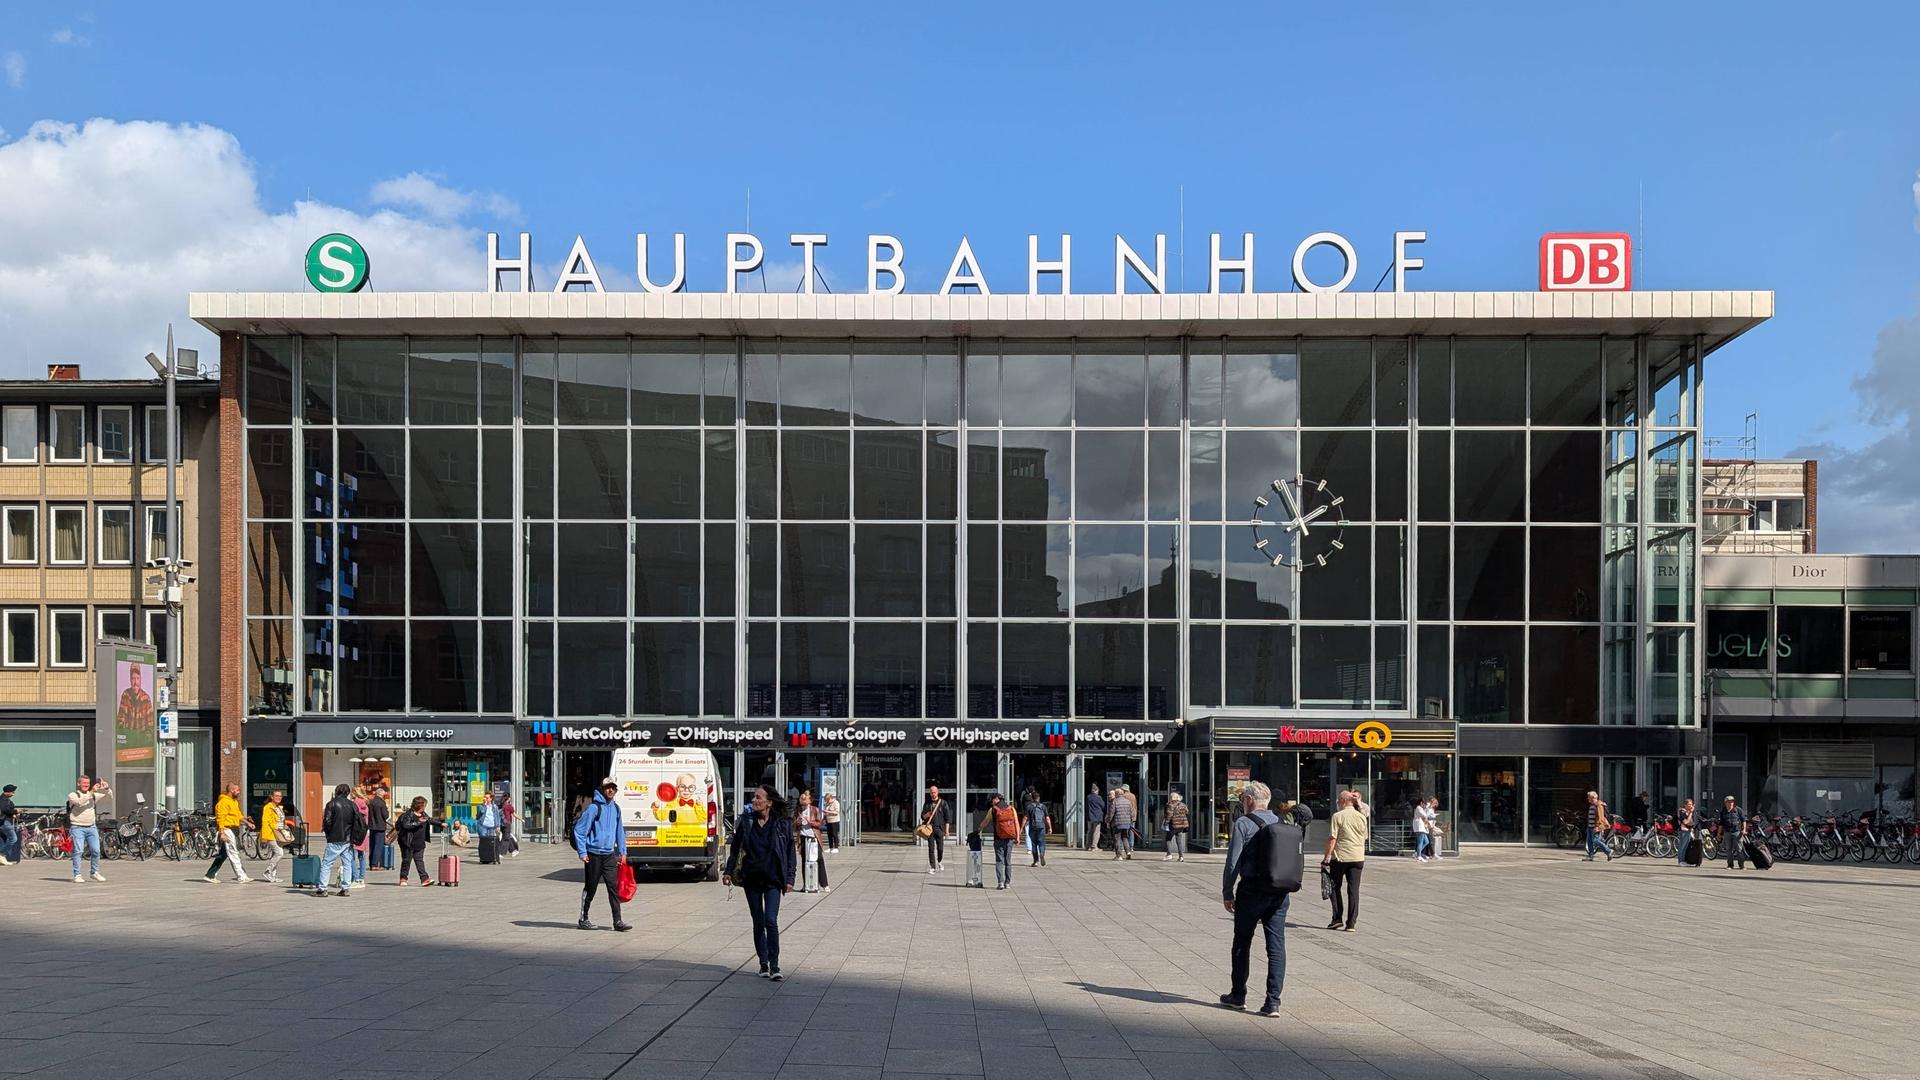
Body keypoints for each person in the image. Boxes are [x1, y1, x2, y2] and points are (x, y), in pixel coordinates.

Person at [1218, 780, 1289, 1017]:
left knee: (1242, 942)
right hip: (1279, 892)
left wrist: (1227, 892)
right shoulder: (1280, 821)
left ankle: (1238, 995)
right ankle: (1273, 1002)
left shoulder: (1243, 823)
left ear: (1249, 800)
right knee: (1276, 946)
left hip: (1251, 892)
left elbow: (1233, 862)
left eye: (1242, 799)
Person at [724, 783, 795, 979]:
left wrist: (790, 878)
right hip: (752, 878)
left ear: (769, 803)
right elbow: (735, 849)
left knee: (771, 920)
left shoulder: (782, 823)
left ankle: (775, 965)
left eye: (758, 797)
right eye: (754, 797)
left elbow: (790, 852)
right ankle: (763, 963)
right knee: (758, 921)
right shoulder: (746, 822)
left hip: (774, 879)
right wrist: (728, 871)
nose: (754, 800)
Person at [573, 778, 631, 931]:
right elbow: (580, 830)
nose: (610, 790)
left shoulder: (616, 809)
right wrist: (582, 852)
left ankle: (617, 921)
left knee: (613, 888)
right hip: (593, 855)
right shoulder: (594, 808)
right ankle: (583, 919)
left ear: (616, 790)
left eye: (613, 788)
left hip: (609, 855)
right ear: (602, 789)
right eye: (607, 787)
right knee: (591, 888)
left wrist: (623, 851)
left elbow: (620, 831)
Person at [1322, 790, 1369, 931]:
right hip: (1358, 857)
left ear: (1342, 801)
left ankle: (1337, 918)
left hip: (1341, 857)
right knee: (1353, 890)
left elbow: (1332, 838)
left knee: (1335, 886)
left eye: (1338, 800)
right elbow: (1365, 837)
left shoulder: (1338, 816)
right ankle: (1351, 923)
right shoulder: (1361, 817)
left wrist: (1326, 857)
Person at [312, 783, 362, 897]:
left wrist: (329, 834)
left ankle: (323, 888)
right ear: (348, 793)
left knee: (327, 863)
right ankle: (345, 888)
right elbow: (357, 822)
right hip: (347, 839)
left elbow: (327, 821)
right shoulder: (352, 805)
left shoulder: (331, 804)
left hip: (334, 838)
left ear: (336, 791)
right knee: (347, 863)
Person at [201, 782, 253, 884]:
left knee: (224, 854)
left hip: (234, 829)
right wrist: (222, 833)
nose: (239, 792)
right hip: (227, 829)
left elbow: (238, 815)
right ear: (232, 790)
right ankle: (241, 876)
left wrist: (247, 823)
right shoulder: (223, 802)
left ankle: (210, 875)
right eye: (237, 790)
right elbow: (220, 818)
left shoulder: (234, 802)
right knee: (233, 853)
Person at [65, 775, 110, 883]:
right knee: (78, 851)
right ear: (78, 784)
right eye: (84, 783)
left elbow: (109, 798)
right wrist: (91, 792)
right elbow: (79, 802)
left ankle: (94, 872)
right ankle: (77, 875)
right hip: (77, 827)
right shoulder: (73, 795)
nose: (86, 785)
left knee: (96, 851)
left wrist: (107, 789)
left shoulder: (93, 795)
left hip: (91, 827)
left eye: (88, 783)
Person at [395, 796, 443, 885]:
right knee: (406, 861)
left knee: (419, 861)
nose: (425, 807)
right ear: (419, 805)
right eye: (424, 805)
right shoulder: (408, 814)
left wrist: (440, 824)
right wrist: (418, 822)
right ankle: (403, 878)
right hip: (408, 842)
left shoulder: (423, 814)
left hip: (420, 842)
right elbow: (406, 825)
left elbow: (429, 820)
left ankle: (424, 879)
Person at [981, 793, 1019, 889]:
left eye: (992, 799)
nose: (991, 801)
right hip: (1009, 838)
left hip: (998, 838)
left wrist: (979, 829)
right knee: (1008, 861)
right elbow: (1016, 823)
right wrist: (1017, 837)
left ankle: (1000, 882)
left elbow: (986, 821)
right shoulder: (1011, 808)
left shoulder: (993, 809)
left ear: (997, 799)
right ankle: (1007, 883)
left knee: (999, 861)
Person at [795, 790, 830, 894]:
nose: (803, 806)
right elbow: (794, 825)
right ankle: (806, 884)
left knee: (819, 859)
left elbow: (820, 823)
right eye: (802, 803)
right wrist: (798, 822)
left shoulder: (814, 810)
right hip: (803, 837)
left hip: (813, 837)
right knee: (805, 861)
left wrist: (810, 822)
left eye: (805, 803)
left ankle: (824, 884)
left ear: (809, 801)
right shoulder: (798, 811)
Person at [256, 790, 289, 884]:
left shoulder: (279, 808)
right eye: (277, 796)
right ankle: (268, 871)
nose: (279, 798)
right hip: (271, 834)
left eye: (280, 796)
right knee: (279, 853)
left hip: (279, 834)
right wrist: (264, 837)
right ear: (272, 797)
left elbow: (281, 821)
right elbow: (265, 822)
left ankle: (273, 876)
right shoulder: (268, 807)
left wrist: (285, 827)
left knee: (276, 854)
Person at [919, 784, 951, 874]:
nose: (933, 794)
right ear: (929, 793)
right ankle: (932, 867)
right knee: (931, 848)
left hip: (939, 828)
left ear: (937, 792)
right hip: (930, 828)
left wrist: (947, 831)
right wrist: (927, 815)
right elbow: (922, 816)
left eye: (934, 792)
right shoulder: (927, 803)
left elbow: (947, 818)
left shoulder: (943, 803)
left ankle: (940, 861)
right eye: (931, 792)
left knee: (940, 848)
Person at [1022, 789, 1051, 867]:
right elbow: (1047, 818)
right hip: (1041, 826)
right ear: (1039, 798)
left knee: (1034, 844)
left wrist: (1021, 828)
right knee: (1041, 842)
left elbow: (1025, 818)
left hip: (1032, 826)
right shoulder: (1043, 806)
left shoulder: (1029, 807)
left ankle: (1035, 861)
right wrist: (1050, 827)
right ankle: (1041, 853)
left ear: (1032, 798)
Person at [1719, 795, 1748, 870]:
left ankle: (1741, 865)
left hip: (1737, 832)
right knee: (1729, 849)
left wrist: (1744, 829)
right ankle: (1730, 865)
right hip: (1727, 832)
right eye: (1729, 802)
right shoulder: (1723, 811)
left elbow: (1743, 820)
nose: (1730, 803)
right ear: (1725, 803)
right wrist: (1719, 833)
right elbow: (1721, 823)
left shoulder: (1738, 810)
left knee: (1739, 849)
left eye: (1732, 802)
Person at [1584, 790, 1614, 862]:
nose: (1588, 798)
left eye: (1589, 797)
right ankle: (1591, 856)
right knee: (1589, 841)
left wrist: (1598, 827)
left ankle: (1608, 851)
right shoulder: (1592, 805)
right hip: (1590, 826)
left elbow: (1600, 817)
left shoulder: (1598, 805)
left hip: (1596, 827)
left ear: (1593, 797)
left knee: (1595, 840)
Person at [366, 785, 391, 871]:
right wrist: (387, 810)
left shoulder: (371, 802)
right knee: (378, 845)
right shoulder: (381, 803)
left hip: (372, 826)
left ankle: (371, 863)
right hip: (380, 827)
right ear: (381, 795)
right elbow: (385, 815)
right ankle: (375, 864)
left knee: (372, 845)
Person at [1109, 786, 1136, 861]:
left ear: (1117, 794)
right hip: (1127, 823)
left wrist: (1108, 821)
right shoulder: (1128, 802)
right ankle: (1128, 852)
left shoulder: (1115, 802)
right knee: (1125, 837)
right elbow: (1132, 812)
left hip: (1117, 823)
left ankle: (1119, 855)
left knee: (1117, 838)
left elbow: (1111, 813)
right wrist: (1131, 821)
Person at [475, 791, 503, 861]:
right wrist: (484, 805)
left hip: (492, 827)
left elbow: (497, 817)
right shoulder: (480, 806)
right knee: (483, 842)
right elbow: (480, 813)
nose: (485, 799)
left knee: (491, 843)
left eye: (487, 798)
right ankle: (483, 857)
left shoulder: (495, 807)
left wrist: (498, 826)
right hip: (483, 826)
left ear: (491, 799)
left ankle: (490, 857)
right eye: (485, 797)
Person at [1164, 791, 1190, 862]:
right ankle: (1181, 856)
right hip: (1181, 825)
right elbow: (1187, 812)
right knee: (1179, 841)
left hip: (1173, 825)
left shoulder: (1170, 805)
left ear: (1172, 798)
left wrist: (1166, 823)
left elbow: (1169, 815)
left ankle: (1169, 854)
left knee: (1168, 839)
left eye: (1170, 797)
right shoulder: (1183, 805)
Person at [0, 783, 19, 866]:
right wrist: (15, 811)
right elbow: (4, 809)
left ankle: (2, 859)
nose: (13, 794)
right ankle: (1, 854)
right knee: (13, 838)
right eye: (12, 792)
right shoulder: (3, 799)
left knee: (3, 840)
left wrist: (13, 814)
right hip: (5, 822)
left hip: (5, 821)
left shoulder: (5, 799)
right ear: (7, 792)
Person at [1675, 797, 1697, 867]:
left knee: (1686, 846)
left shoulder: (1687, 811)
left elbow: (1691, 822)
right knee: (1682, 846)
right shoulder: (1682, 811)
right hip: (1683, 831)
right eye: (1689, 804)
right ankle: (1681, 861)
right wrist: (1691, 813)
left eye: (1691, 804)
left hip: (1688, 830)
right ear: (1685, 805)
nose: (1691, 806)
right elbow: (1686, 822)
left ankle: (1684, 860)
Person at [1412, 796, 1435, 862]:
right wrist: (1432, 815)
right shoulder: (1419, 808)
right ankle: (1419, 856)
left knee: (1426, 841)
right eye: (1424, 803)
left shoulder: (1419, 808)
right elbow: (1425, 816)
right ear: (1421, 803)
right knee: (1420, 842)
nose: (1424, 805)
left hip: (1421, 827)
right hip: (1419, 827)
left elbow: (1425, 817)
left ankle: (1418, 853)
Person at [1085, 784, 1108, 852]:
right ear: (1096, 790)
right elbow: (1103, 806)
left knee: (1089, 831)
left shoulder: (1088, 797)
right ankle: (1094, 847)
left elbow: (1086, 806)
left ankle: (1088, 846)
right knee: (1096, 832)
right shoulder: (1099, 798)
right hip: (1097, 817)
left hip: (1089, 817)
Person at [500, 793, 519, 857]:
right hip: (507, 823)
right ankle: (501, 852)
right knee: (506, 838)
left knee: (506, 837)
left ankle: (513, 850)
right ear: (509, 798)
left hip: (501, 823)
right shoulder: (509, 806)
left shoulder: (501, 805)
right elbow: (514, 814)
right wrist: (521, 819)